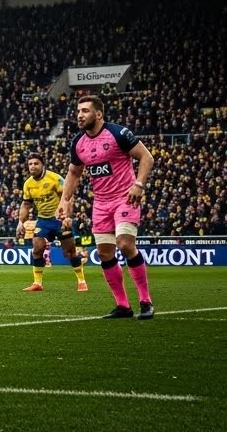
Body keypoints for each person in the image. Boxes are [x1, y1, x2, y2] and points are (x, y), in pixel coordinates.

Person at [57, 96, 155, 320]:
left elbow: (146, 158)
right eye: (78, 111)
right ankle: (123, 306)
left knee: (125, 244)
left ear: (98, 114)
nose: (80, 115)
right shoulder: (78, 143)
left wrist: (139, 185)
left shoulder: (118, 133)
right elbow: (74, 172)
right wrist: (65, 200)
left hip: (125, 198)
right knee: (104, 253)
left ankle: (145, 301)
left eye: (85, 111)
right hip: (101, 203)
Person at [16, 154, 86, 292]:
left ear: (43, 165)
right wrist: (20, 222)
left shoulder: (55, 179)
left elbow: (67, 198)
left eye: (36, 163)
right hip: (43, 220)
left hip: (59, 220)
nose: (32, 166)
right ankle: (37, 283)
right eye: (30, 164)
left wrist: (67, 217)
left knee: (70, 252)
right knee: (37, 249)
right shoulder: (28, 184)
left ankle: (81, 281)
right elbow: (26, 204)